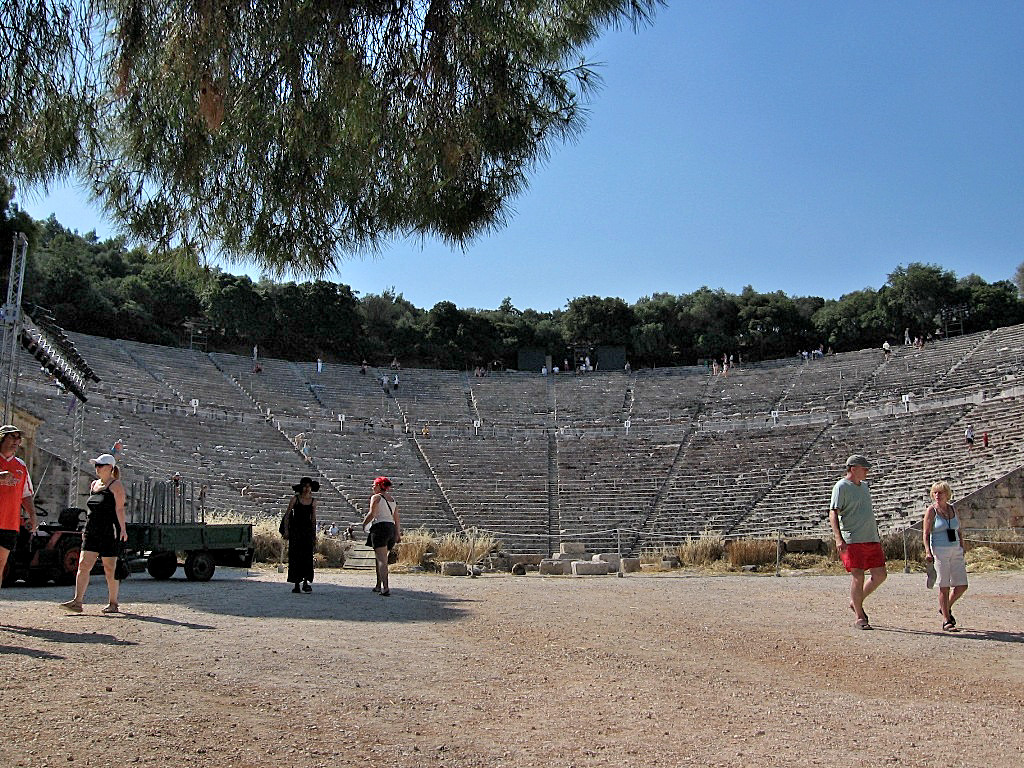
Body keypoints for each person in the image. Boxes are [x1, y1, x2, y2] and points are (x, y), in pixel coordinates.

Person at [61, 453, 127, 613]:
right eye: (96, 465)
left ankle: (113, 603)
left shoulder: (116, 485)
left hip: (109, 530)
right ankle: (78, 601)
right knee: (83, 564)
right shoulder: (94, 485)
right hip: (92, 529)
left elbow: (120, 509)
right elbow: (91, 509)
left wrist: (123, 529)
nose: (97, 468)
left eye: (100, 465)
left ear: (110, 468)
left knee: (109, 567)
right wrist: (85, 529)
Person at [829, 454, 887, 630]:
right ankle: (860, 616)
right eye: (865, 468)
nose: (867, 472)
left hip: (870, 537)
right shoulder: (841, 486)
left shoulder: (864, 487)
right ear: (853, 469)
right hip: (853, 538)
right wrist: (838, 538)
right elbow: (833, 512)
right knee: (858, 575)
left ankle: (856, 602)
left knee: (880, 574)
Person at [923, 481, 968, 632]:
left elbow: (958, 530)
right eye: (935, 492)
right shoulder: (931, 511)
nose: (937, 495)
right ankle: (946, 620)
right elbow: (926, 533)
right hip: (940, 550)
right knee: (944, 586)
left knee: (962, 585)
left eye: (940, 492)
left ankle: (945, 608)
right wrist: (928, 551)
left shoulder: (953, 509)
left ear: (947, 494)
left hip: (955, 549)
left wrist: (962, 546)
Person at [0, 424, 37, 595]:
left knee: (0, 566)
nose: (16, 441)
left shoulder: (20, 466)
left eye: (18, 438)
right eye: (12, 437)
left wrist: (32, 515)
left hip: (9, 523)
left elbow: (26, 494)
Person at [362, 476, 401, 596]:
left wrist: (364, 523)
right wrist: (398, 533)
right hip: (391, 528)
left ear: (379, 486)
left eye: (374, 484)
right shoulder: (392, 499)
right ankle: (378, 585)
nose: (372, 487)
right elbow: (396, 519)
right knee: (380, 558)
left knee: (382, 560)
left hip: (380, 528)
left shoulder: (376, 497)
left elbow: (372, 513)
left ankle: (385, 587)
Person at [284, 477, 318, 593]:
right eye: (305, 486)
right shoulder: (295, 499)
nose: (306, 488)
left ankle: (305, 582)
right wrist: (286, 530)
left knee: (307, 557)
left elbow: (313, 519)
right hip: (295, 531)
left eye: (308, 486)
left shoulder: (313, 501)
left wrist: (314, 535)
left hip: (307, 532)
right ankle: (297, 584)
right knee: (295, 557)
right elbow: (287, 515)